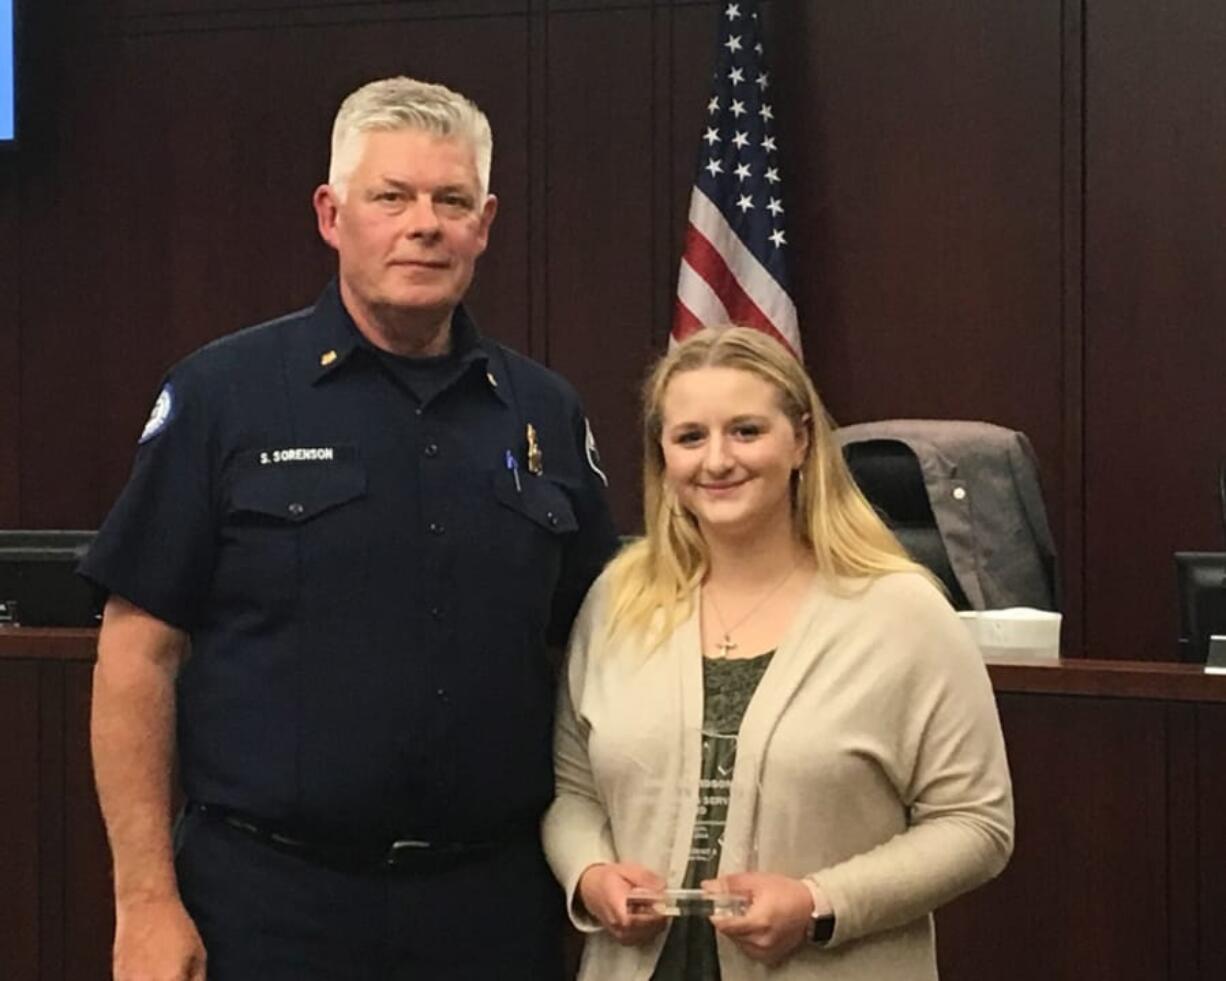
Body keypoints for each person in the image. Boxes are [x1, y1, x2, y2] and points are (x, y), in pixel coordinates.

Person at [82, 76, 618, 981]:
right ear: (332, 215)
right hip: (270, 905)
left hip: (490, 906)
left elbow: (598, 644)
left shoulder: (542, 411)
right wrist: (144, 899)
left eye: (451, 201)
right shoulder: (226, 395)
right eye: (391, 197)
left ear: (484, 224)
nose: (424, 224)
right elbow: (138, 654)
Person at [542, 326, 1013, 980]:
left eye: (745, 431)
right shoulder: (617, 601)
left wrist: (818, 901)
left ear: (801, 441)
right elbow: (573, 792)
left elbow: (976, 825)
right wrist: (590, 873)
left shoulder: (904, 613)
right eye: (689, 437)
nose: (716, 461)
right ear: (664, 458)